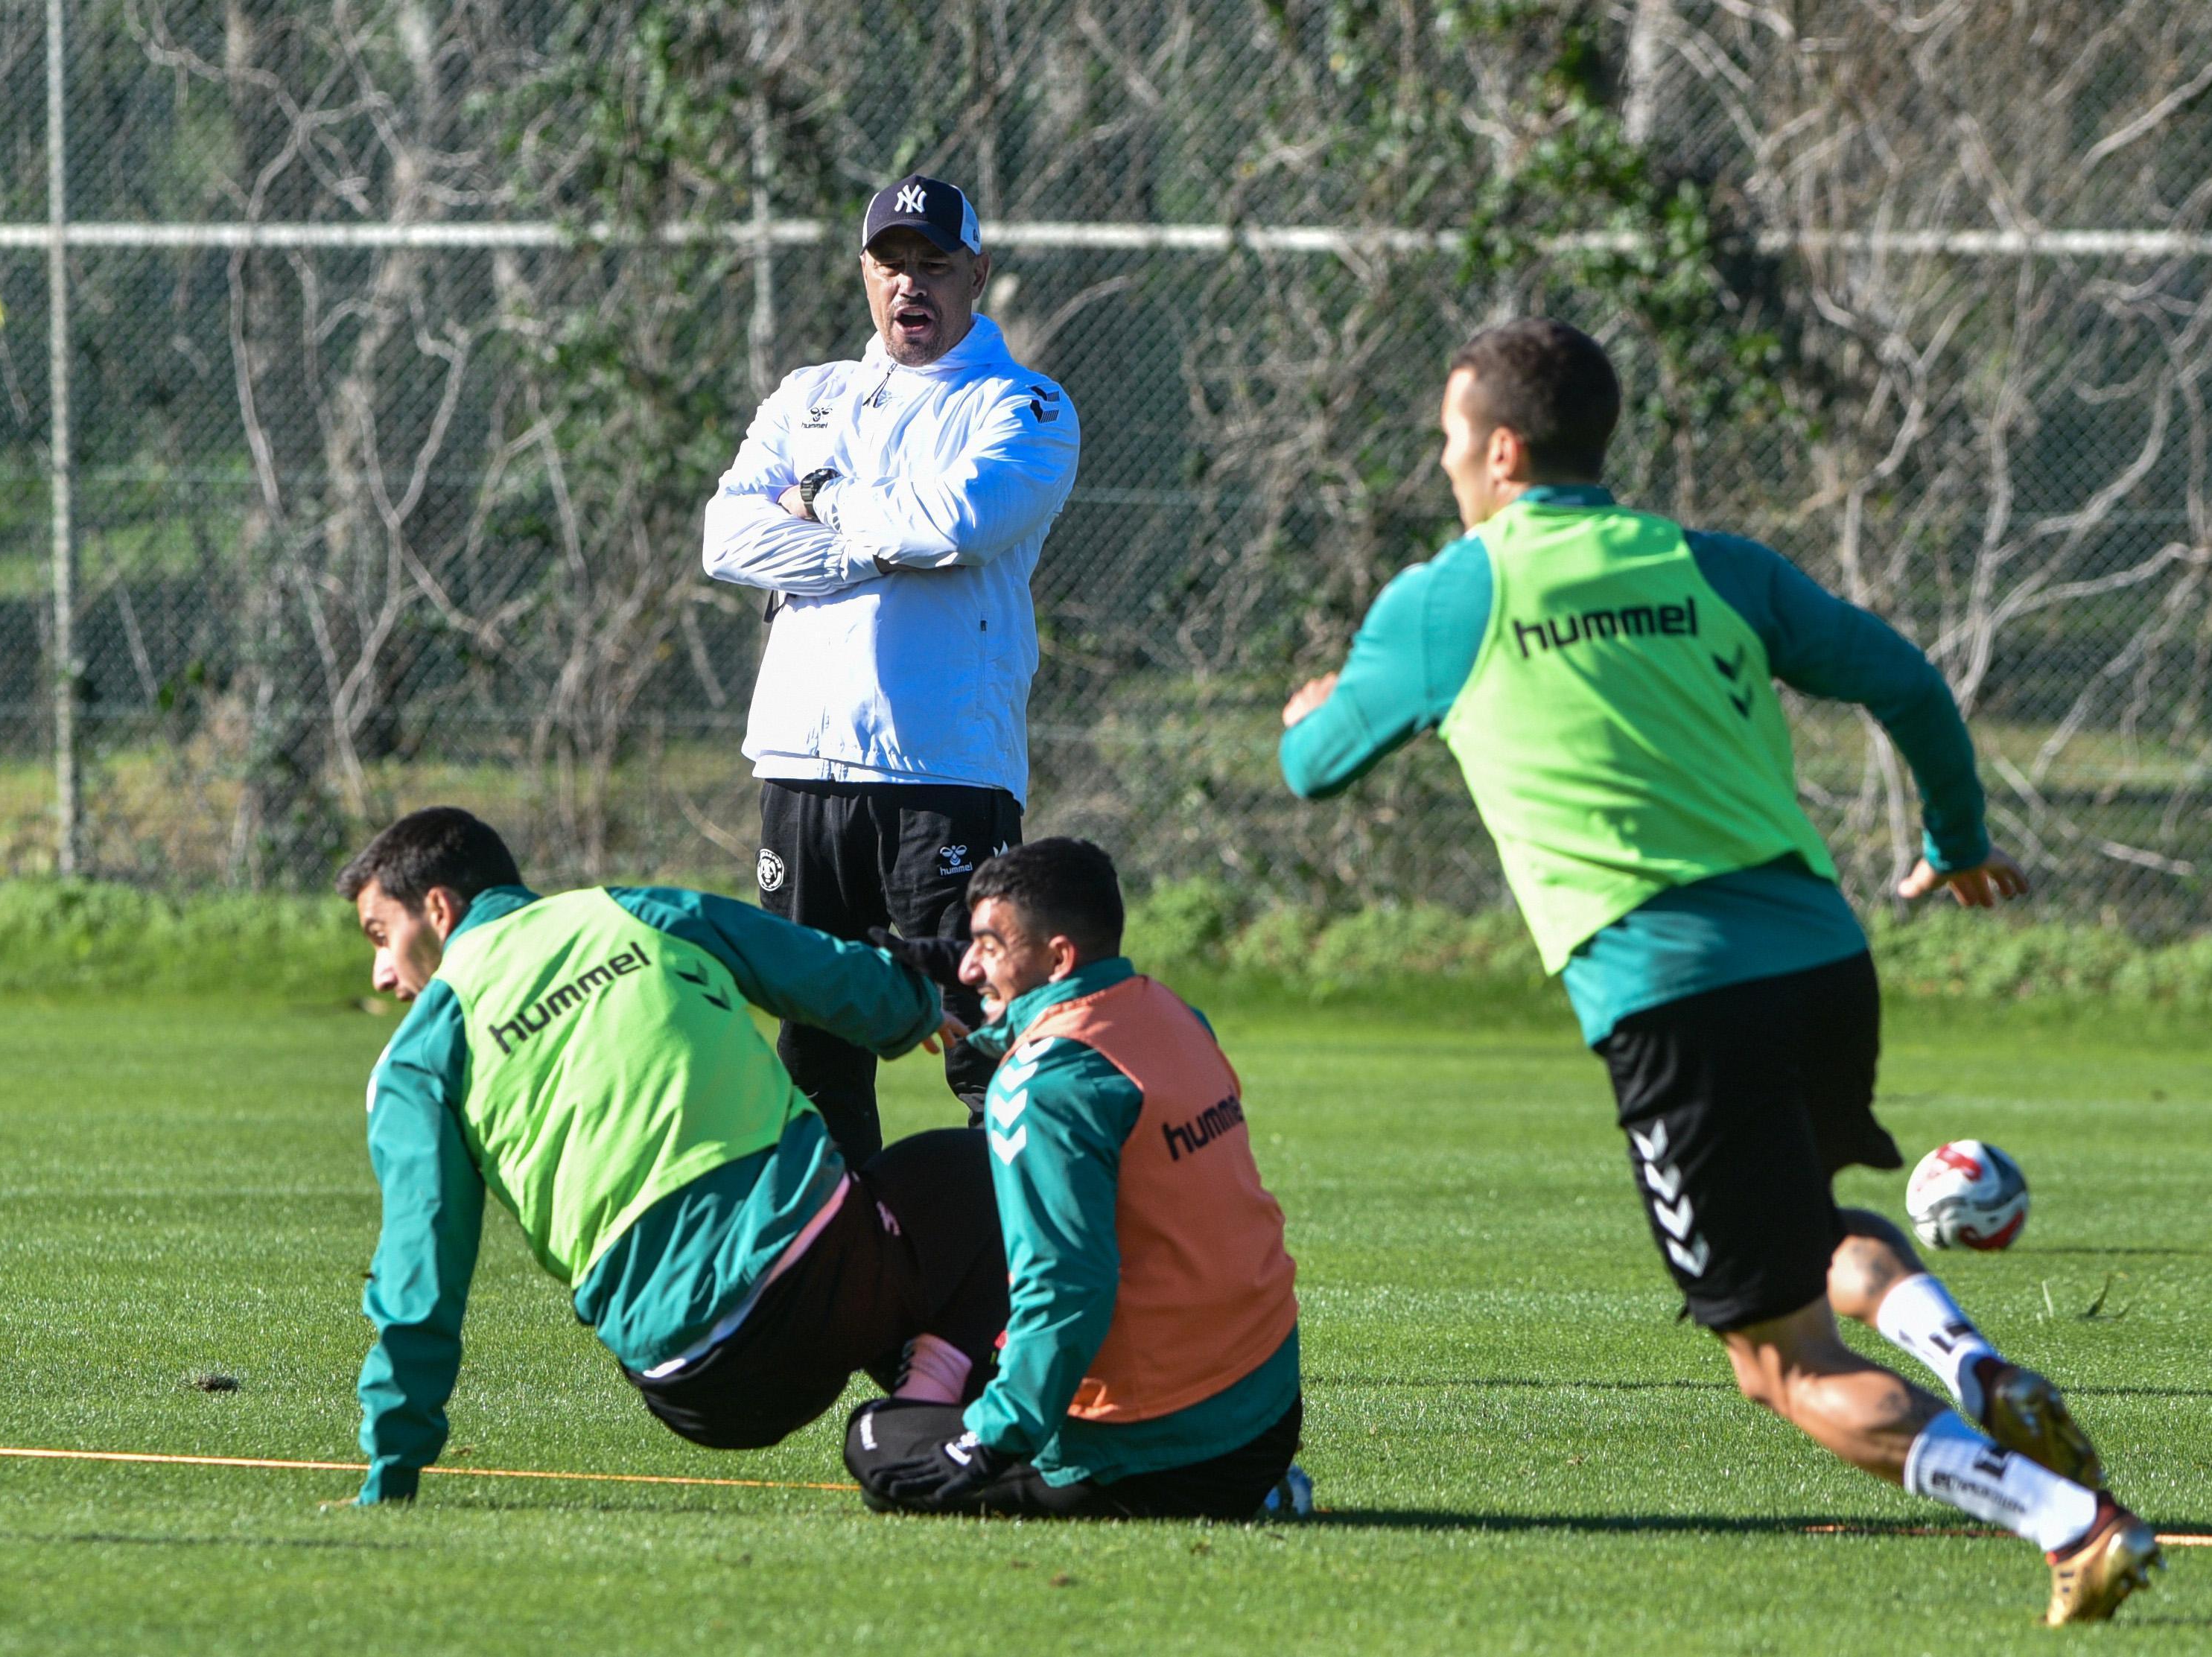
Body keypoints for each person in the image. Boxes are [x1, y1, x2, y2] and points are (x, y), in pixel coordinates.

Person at [1277, 319, 2161, 1621]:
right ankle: (1966, 1365)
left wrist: (1310, 708)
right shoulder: (1708, 566)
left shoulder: (1447, 595)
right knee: (1802, 1226)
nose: (1444, 461)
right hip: (1816, 956)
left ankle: (2067, 1524)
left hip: (1675, 996)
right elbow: (1903, 680)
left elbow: (1312, 770)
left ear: (1502, 452)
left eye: (1449, 438)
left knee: (1776, 1364)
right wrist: (1953, 845)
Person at [334, 807, 1006, 1504]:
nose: (384, 973)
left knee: (861, 1223)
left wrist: (393, 1469)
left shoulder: (413, 1063)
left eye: (381, 936)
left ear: (439, 909)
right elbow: (804, 963)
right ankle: (956, 1413)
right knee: (989, 1169)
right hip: (824, 1283)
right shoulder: (628, 913)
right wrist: (914, 1005)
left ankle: (925, 1411)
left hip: (694, 1384)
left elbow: (420, 1280)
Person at [702, 173, 1082, 1167]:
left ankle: (1009, 1293)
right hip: (799, 766)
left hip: (942, 771)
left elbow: (954, 524)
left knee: (978, 1036)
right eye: (890, 263)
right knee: (815, 1047)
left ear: (977, 276)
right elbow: (725, 537)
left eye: (934, 265)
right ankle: (850, 1296)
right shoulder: (808, 395)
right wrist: (870, 544)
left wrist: (819, 497)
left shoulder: (1027, 405)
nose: (910, 284)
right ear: (866, 273)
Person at [843, 839, 1309, 1520]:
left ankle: (1208, 1492)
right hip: (1265, 1408)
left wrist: (988, 1442)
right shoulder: (1170, 1014)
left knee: (878, 1441)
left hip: (1161, 1451)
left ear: (1059, 958)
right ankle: (1253, 1481)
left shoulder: (1045, 1087)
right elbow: (1077, 1030)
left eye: (988, 947)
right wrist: (996, 990)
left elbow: (1068, 1287)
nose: (969, 966)